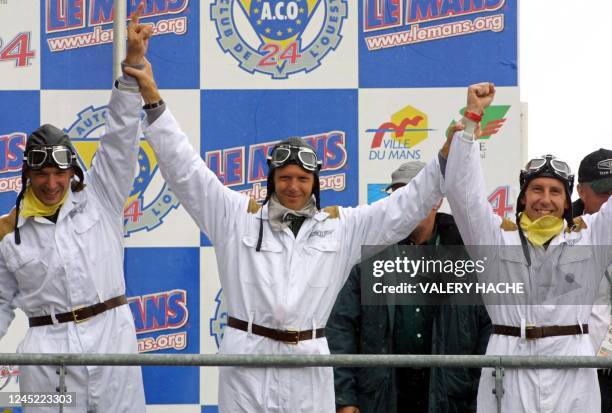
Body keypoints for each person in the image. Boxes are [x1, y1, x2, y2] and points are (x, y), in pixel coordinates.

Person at [125, 52, 446, 413]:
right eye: (285, 178)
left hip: (308, 368)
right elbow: (186, 172)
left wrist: (449, 152)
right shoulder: (236, 217)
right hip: (247, 364)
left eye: (302, 179)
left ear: (315, 183)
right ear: (272, 180)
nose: (293, 187)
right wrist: (152, 99)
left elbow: (404, 207)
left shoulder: (342, 227)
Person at [0, 8, 152, 412]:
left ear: (73, 172)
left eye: (59, 173)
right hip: (45, 362)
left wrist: (132, 70)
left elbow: (120, 138)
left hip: (113, 344)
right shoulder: (7, 232)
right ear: (26, 175)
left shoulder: (100, 197)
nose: (51, 183)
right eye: (42, 174)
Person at [443, 83, 612, 412]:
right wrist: (472, 121)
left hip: (572, 372)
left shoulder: (590, 239)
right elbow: (463, 195)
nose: (544, 200)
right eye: (536, 189)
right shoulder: (494, 240)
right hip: (509, 367)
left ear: (567, 201)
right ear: (522, 198)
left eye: (554, 191)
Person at [327, 161, 491, 413]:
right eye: (399, 197)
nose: (407, 205)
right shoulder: (367, 255)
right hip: (383, 394)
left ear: (437, 201)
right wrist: (345, 397)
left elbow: (487, 331)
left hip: (448, 395)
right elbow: (341, 326)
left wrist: (480, 398)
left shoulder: (468, 255)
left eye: (415, 195)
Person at [575, 148, 612, 413]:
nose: (610, 199)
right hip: (583, 373)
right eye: (603, 190)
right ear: (581, 191)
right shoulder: (563, 236)